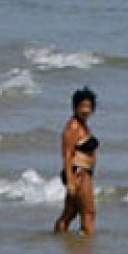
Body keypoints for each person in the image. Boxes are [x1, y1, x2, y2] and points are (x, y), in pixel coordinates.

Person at [53, 87, 98, 238]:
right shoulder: (72, 127)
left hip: (84, 172)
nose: (85, 110)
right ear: (75, 107)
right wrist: (71, 181)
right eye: (82, 106)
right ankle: (88, 247)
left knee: (69, 214)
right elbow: (67, 154)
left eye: (88, 106)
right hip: (78, 173)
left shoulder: (83, 126)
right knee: (88, 213)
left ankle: (59, 240)